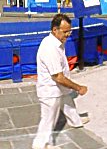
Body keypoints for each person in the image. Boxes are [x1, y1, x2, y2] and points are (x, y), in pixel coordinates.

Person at [34, 14, 89, 149]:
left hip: (60, 88)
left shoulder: (57, 42)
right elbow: (58, 77)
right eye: (65, 32)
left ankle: (75, 121)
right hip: (50, 90)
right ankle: (41, 144)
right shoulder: (50, 48)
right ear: (55, 30)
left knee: (67, 101)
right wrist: (78, 87)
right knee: (48, 119)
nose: (68, 34)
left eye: (69, 31)